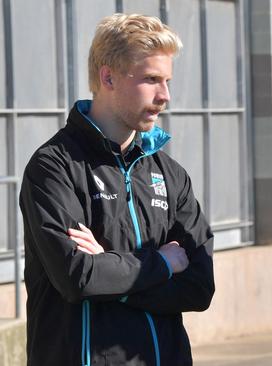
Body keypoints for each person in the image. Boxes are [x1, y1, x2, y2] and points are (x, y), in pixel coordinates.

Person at [19, 14, 214, 366]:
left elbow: (199, 287)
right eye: (151, 80)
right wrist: (163, 262)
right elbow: (78, 277)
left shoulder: (170, 175)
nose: (165, 95)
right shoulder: (54, 167)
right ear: (108, 76)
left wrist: (113, 274)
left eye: (167, 80)